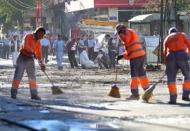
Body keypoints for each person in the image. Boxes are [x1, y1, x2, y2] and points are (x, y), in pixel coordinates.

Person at [11, 27, 46, 100]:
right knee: (18, 75)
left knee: (32, 77)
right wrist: (33, 52)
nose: (41, 37)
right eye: (41, 35)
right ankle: (13, 93)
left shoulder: (38, 41)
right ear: (37, 33)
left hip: (30, 59)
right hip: (22, 57)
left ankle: (34, 94)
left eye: (42, 36)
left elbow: (39, 53)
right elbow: (25, 46)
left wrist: (42, 63)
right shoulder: (28, 36)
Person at [116, 24, 150, 100]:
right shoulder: (131, 32)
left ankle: (135, 94)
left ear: (122, 29)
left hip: (135, 56)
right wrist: (122, 56)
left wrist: (120, 35)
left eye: (119, 31)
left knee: (134, 76)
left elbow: (127, 40)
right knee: (141, 73)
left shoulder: (127, 32)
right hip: (140, 54)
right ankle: (147, 90)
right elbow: (130, 48)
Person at [164, 27, 190, 104]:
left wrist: (167, 64)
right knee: (187, 76)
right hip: (181, 55)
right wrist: (187, 54)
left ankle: (173, 98)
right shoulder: (182, 35)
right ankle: (185, 95)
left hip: (171, 57)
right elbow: (189, 45)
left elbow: (164, 52)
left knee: (171, 79)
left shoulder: (167, 38)